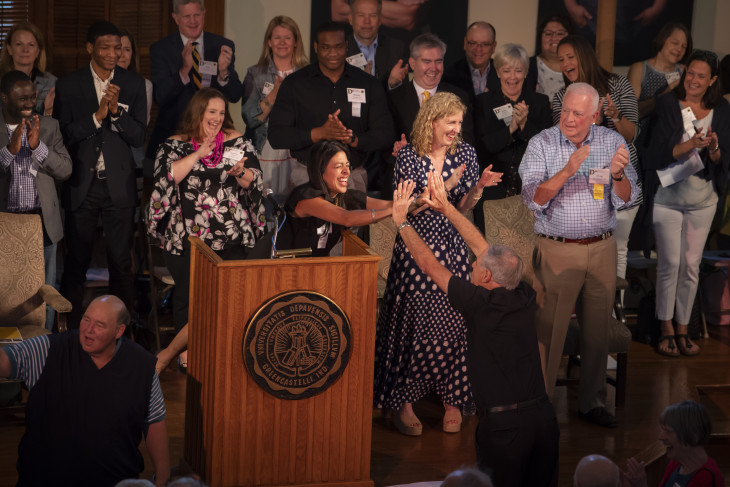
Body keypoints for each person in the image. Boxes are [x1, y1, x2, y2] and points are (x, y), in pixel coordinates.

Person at [391, 173, 558, 486]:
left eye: (475, 267)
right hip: (544, 420)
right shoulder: (523, 294)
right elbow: (484, 249)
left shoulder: (479, 303)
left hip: (505, 428)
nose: (470, 266)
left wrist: (401, 222)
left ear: (485, 278)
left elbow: (429, 266)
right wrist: (447, 208)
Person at [374, 91, 499, 436]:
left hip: (452, 240)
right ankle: (405, 400)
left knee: (459, 313)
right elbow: (409, 207)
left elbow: (464, 205)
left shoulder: (467, 153)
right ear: (432, 121)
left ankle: (452, 398)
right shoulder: (409, 158)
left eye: (459, 123)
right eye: (451, 122)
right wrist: (448, 184)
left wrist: (477, 188)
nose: (456, 129)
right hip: (417, 242)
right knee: (416, 313)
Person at [519, 82, 638, 428]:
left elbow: (627, 196)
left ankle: (593, 402)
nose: (569, 119)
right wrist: (568, 170)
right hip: (557, 249)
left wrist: (616, 175)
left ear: (594, 116)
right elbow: (532, 198)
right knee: (549, 332)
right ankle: (539, 406)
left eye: (578, 114)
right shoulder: (542, 142)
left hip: (601, 247)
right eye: (565, 111)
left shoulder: (611, 141)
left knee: (597, 332)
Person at [148, 88, 265, 373]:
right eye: (211, 111)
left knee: (233, 297)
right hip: (187, 237)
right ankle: (186, 353)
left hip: (231, 234)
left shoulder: (237, 141)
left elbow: (257, 180)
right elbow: (166, 179)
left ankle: (230, 350)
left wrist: (241, 173)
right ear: (198, 112)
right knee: (191, 297)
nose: (217, 117)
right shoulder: (174, 144)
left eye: (222, 112)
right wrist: (199, 152)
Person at [0, 295, 170, 487]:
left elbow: (154, 421)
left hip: (115, 480)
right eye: (86, 320)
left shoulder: (142, 366)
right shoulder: (48, 349)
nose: (88, 330)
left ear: (119, 331)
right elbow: (5, 361)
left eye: (99, 325)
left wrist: (162, 477)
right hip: (45, 479)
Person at [54, 21, 147, 328]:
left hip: (119, 186)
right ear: (90, 48)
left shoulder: (134, 84)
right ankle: (71, 329)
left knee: (121, 262)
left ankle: (122, 328)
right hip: (83, 184)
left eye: (117, 48)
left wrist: (118, 114)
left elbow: (138, 137)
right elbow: (63, 135)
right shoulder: (69, 85)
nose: (112, 54)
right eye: (105, 47)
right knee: (77, 261)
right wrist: (97, 118)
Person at [645, 50, 729, 357]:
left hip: (703, 199)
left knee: (691, 266)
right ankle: (665, 328)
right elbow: (655, 153)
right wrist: (690, 144)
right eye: (690, 73)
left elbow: (722, 161)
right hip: (668, 197)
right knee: (670, 264)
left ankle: (684, 328)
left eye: (701, 76)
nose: (693, 80)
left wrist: (715, 148)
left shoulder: (721, 109)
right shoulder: (668, 104)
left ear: (713, 80)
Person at [553, 35, 642, 306]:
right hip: (584, 194)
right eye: (561, 59)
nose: (566, 63)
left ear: (584, 55)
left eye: (570, 56)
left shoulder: (617, 84)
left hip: (620, 183)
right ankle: (587, 320)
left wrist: (614, 117)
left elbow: (633, 134)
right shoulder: (561, 96)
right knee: (586, 255)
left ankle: (612, 320)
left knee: (619, 251)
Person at [268, 21, 393, 194]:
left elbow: (386, 134)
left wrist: (354, 140)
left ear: (347, 46)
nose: (333, 53)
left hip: (352, 176)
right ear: (316, 47)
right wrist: (318, 133)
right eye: (326, 47)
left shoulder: (367, 84)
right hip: (306, 175)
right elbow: (276, 135)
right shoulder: (295, 84)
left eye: (338, 47)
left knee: (352, 221)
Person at [0, 71, 72, 331]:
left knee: (46, 289)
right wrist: (10, 152)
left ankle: (45, 345)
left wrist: (38, 147)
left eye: (32, 97)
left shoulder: (49, 126)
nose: (29, 103)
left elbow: (65, 170)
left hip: (42, 221)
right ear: (4, 97)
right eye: (22, 98)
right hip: (4, 223)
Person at [148, 0, 242, 159]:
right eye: (187, 16)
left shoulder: (222, 45)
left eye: (197, 15)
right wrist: (184, 71)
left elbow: (235, 95)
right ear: (176, 18)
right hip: (175, 134)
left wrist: (224, 72)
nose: (193, 21)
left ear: (204, 14)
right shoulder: (160, 49)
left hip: (214, 138)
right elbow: (160, 96)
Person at [277, 140, 393, 257]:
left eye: (347, 166)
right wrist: (392, 212)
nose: (346, 172)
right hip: (284, 268)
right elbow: (346, 218)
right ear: (321, 170)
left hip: (321, 268)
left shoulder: (347, 197)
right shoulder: (306, 198)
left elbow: (388, 205)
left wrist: (409, 203)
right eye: (339, 166)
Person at [240, 16, 307, 202]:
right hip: (265, 149)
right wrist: (274, 94)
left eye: (287, 37)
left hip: (298, 151)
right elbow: (250, 118)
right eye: (277, 37)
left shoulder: (308, 73)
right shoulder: (255, 73)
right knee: (266, 206)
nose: (282, 42)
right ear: (269, 42)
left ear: (295, 42)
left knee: (297, 204)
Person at [474, 43, 552, 201]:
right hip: (493, 190)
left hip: (531, 188)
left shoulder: (540, 102)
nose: (512, 77)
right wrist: (511, 128)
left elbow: (548, 146)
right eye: (506, 71)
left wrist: (524, 125)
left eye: (518, 71)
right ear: (498, 72)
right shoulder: (483, 103)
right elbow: (481, 147)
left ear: (526, 72)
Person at [388, 33, 475, 152]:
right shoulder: (395, 98)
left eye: (438, 61)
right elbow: (386, 142)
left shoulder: (458, 96)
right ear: (413, 63)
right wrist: (399, 149)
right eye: (427, 61)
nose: (434, 68)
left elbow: (467, 140)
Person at [623, 400, 724, 487]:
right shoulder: (676, 463)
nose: (660, 437)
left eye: (668, 431)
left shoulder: (707, 478)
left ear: (693, 437)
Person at [627, 23, 691, 121]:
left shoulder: (683, 70)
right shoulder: (640, 69)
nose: (679, 49)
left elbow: (688, 109)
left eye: (684, 46)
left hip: (674, 130)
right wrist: (666, 93)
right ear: (662, 40)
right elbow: (631, 111)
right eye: (675, 43)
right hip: (644, 129)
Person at [344, 0, 409, 90]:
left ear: (380, 20)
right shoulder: (339, 49)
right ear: (350, 19)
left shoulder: (396, 49)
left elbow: (403, 95)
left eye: (373, 16)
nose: (367, 21)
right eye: (361, 15)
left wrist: (391, 84)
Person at [0, 22, 56, 116]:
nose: (25, 50)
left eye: (31, 45)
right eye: (19, 44)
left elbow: (58, 124)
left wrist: (47, 112)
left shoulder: (51, 83)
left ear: (38, 51)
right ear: (9, 49)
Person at [118, 29, 154, 169]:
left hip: (133, 159)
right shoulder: (98, 83)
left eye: (127, 49)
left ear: (132, 54)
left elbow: (140, 127)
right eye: (118, 49)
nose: (121, 54)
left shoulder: (145, 85)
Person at [443, 22, 501, 101]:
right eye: (473, 43)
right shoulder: (449, 76)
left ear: (494, 46)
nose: (478, 49)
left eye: (485, 44)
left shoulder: (505, 73)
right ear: (465, 44)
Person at [526, 15, 572, 103]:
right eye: (548, 34)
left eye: (560, 34)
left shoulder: (580, 66)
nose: (554, 38)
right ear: (540, 37)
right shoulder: (527, 66)